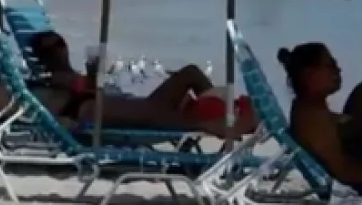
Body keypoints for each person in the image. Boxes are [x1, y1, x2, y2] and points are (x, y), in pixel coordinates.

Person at [29, 31, 257, 139]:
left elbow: (106, 87)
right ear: (41, 57)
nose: (59, 49)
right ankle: (221, 119)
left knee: (192, 75)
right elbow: (45, 112)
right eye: (51, 48)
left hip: (145, 106)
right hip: (150, 115)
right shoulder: (51, 84)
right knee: (190, 80)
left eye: (60, 43)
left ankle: (219, 111)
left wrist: (95, 76)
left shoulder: (76, 75)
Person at [278, 43, 362, 195]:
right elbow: (346, 172)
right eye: (330, 66)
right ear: (309, 75)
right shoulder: (313, 123)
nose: (338, 70)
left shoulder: (310, 109)